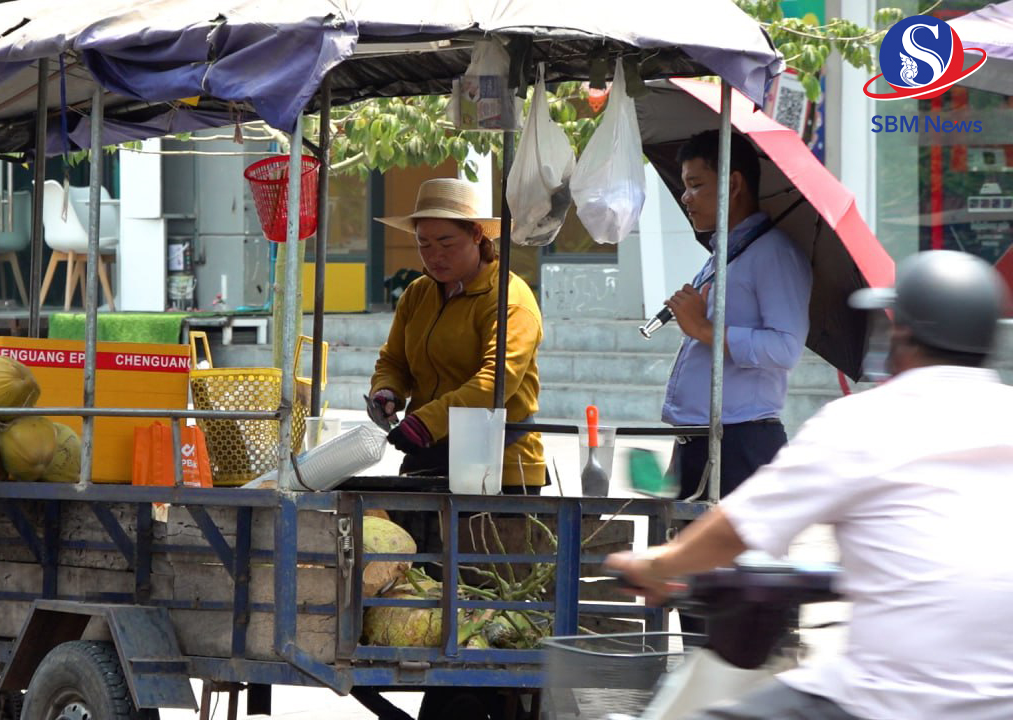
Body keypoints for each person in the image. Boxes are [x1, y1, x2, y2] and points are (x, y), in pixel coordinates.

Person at [607, 250, 1013, 719]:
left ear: (903, 332)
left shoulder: (867, 418)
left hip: (886, 699)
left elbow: (738, 526)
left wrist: (658, 563)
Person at [662, 130, 813, 501]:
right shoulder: (725, 254)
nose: (685, 197)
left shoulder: (772, 253)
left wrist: (703, 328)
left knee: (731, 559)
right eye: (685, 186)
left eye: (695, 185)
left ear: (732, 184)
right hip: (699, 439)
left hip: (739, 442)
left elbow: (785, 348)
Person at [368, 177, 545, 491]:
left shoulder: (508, 298)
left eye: (447, 243)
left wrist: (428, 421)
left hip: (500, 466)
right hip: (425, 456)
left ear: (477, 235)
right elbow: (393, 361)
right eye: (424, 244)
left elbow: (496, 381)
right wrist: (387, 390)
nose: (435, 255)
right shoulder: (417, 294)